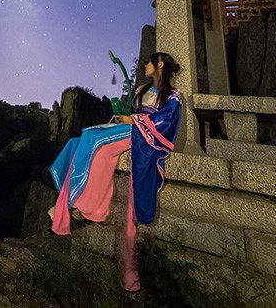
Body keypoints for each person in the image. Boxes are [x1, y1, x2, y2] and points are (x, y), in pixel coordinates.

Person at [48, 52, 182, 291]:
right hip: (132, 129)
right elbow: (133, 114)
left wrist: (134, 122)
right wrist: (126, 117)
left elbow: (165, 122)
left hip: (144, 135)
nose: (145, 65)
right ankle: (77, 200)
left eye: (149, 63)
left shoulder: (173, 96)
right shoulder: (142, 89)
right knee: (82, 139)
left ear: (160, 65)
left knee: (92, 137)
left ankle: (76, 201)